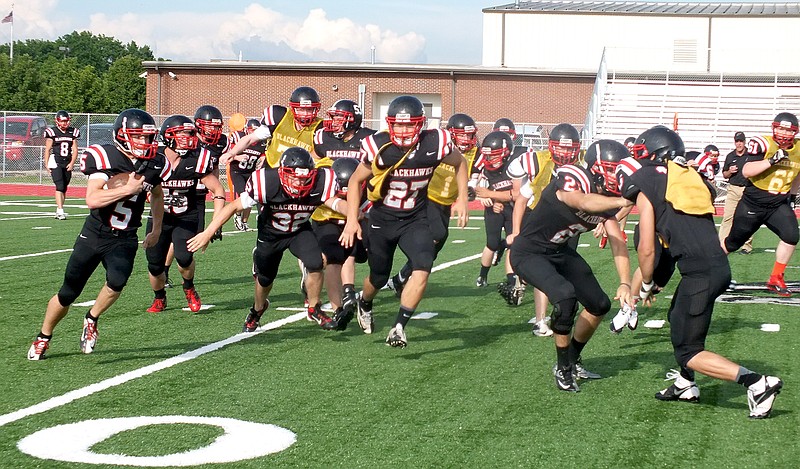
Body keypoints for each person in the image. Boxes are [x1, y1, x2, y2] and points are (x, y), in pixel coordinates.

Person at [623, 125, 782, 419]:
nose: (639, 159)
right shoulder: (691, 177)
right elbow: (678, 235)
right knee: (676, 316)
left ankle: (757, 383)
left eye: (642, 153)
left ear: (654, 154)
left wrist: (646, 282)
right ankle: (685, 384)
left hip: (700, 275)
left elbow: (647, 248)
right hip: (714, 267)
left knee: (688, 351)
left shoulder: (648, 179)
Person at [27, 108, 170, 360]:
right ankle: (43, 337)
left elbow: (157, 196)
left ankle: (91, 318)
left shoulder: (154, 161)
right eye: (139, 137)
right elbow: (92, 199)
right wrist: (129, 188)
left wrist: (156, 229)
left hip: (125, 236)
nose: (145, 142)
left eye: (148, 137)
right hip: (95, 234)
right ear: (123, 135)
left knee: (116, 282)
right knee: (68, 292)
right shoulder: (105, 155)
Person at [339, 95, 469, 348]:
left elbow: (460, 162)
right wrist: (352, 220)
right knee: (377, 277)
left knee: (423, 266)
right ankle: (364, 302)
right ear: (390, 124)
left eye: (410, 125)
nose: (403, 130)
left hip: (415, 217)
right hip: (383, 219)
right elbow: (355, 181)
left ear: (420, 124)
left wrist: (462, 197)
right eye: (398, 125)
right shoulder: (379, 146)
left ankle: (399, 326)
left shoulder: (434, 142)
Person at [508, 138, 633, 392]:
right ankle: (562, 367)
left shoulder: (608, 196)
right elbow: (583, 202)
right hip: (529, 252)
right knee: (565, 298)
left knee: (599, 304)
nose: (617, 175)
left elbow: (617, 241)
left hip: (558, 251)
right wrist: (622, 201)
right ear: (597, 167)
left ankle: (573, 359)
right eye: (612, 168)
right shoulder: (573, 175)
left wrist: (625, 282)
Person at [188, 147, 343, 332]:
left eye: (304, 177)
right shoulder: (266, 182)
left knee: (315, 262)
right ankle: (257, 309)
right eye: (294, 176)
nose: (299, 181)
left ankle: (314, 307)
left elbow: (337, 203)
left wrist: (355, 219)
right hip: (271, 235)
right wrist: (208, 232)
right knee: (265, 279)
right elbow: (233, 207)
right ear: (282, 172)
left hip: (299, 230)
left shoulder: (321, 181)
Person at [387, 113, 480, 295]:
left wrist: (468, 192)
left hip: (445, 203)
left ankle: (401, 278)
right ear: (452, 134)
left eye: (469, 135)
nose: (466, 139)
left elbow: (473, 177)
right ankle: (407, 276)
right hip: (426, 197)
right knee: (437, 233)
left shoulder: (475, 154)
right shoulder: (440, 147)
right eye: (462, 134)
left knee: (435, 248)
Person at [145, 115, 226, 314]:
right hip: (159, 218)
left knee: (184, 258)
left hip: (186, 216)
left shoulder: (197, 158)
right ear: (168, 136)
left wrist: (215, 223)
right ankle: (159, 297)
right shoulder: (154, 158)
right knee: (155, 264)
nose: (187, 137)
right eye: (181, 133)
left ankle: (189, 287)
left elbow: (218, 190)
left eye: (189, 133)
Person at [506, 123, 582, 335]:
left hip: (568, 224)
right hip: (540, 222)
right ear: (551, 146)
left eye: (570, 148)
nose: (565, 152)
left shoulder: (582, 165)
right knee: (545, 269)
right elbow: (520, 198)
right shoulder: (537, 163)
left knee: (564, 269)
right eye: (561, 147)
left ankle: (562, 308)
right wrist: (516, 231)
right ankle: (541, 319)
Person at [723, 112, 800, 296]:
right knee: (732, 243)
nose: (783, 133)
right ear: (774, 128)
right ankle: (709, 272)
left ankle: (776, 278)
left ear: (795, 132)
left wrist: (792, 198)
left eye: (788, 130)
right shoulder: (764, 143)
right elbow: (747, 171)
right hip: (754, 202)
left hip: (778, 203)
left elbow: (797, 174)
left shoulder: (798, 148)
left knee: (791, 235)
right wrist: (772, 160)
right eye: (780, 128)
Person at [312, 99, 376, 322]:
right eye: (333, 117)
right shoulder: (322, 137)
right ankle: (343, 299)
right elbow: (315, 161)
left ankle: (347, 293)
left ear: (352, 119)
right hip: (330, 201)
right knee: (336, 254)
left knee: (362, 254)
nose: (334, 122)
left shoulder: (369, 139)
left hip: (361, 201)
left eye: (339, 118)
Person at [221, 86, 323, 169]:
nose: (305, 114)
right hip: (272, 168)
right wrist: (232, 152)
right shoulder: (281, 118)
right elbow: (250, 138)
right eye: (301, 109)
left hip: (298, 176)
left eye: (309, 109)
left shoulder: (320, 128)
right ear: (293, 108)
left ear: (316, 109)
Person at [473, 131, 516, 289]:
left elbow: (518, 194)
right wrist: (490, 201)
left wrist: (496, 197)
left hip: (513, 209)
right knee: (491, 243)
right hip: (494, 210)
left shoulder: (516, 166)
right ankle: (482, 275)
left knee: (514, 243)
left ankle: (511, 280)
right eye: (488, 155)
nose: (490, 159)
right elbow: (479, 190)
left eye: (495, 155)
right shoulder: (485, 169)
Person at [228, 118, 265, 231]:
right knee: (244, 195)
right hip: (237, 171)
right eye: (251, 130)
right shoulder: (239, 137)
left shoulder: (262, 142)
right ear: (246, 130)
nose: (253, 133)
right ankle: (237, 216)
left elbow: (264, 155)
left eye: (255, 131)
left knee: (251, 197)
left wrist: (263, 160)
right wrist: (236, 157)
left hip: (250, 172)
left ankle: (244, 221)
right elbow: (227, 153)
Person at [719, 132, 753, 254]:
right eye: (737, 141)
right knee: (728, 217)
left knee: (747, 218)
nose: (739, 143)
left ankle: (747, 246)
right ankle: (721, 243)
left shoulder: (751, 155)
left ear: (745, 142)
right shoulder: (730, 156)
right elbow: (724, 174)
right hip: (733, 188)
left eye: (741, 141)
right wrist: (730, 171)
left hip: (747, 189)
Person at [44, 110, 80, 220]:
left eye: (66, 121)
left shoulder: (72, 132)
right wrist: (46, 164)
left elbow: (75, 149)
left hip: (67, 161)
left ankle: (59, 209)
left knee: (64, 187)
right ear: (57, 121)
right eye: (62, 121)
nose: (65, 123)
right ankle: (60, 210)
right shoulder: (52, 132)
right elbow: (48, 149)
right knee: (59, 186)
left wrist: (72, 163)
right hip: (55, 161)